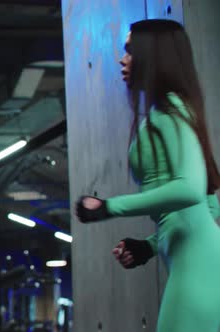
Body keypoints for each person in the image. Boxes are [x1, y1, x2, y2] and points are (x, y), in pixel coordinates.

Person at [75, 19, 220, 331]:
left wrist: (108, 207)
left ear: (152, 55)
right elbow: (211, 206)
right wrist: (149, 246)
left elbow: (192, 189)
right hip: (196, 261)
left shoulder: (170, 113)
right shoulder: (170, 112)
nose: (121, 58)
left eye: (130, 50)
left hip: (199, 266)